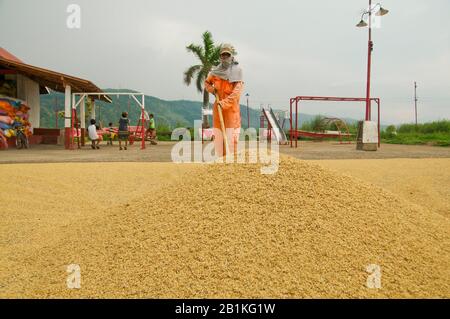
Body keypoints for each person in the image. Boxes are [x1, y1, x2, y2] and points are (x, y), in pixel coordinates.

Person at [204, 43, 243, 157]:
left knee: (232, 136)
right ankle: (221, 160)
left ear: (231, 56)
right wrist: (212, 90)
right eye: (223, 55)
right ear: (220, 56)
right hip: (218, 108)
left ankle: (231, 162)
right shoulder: (215, 72)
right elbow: (207, 83)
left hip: (231, 109)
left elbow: (236, 93)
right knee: (219, 135)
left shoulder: (237, 71)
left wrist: (224, 103)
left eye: (227, 54)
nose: (225, 57)